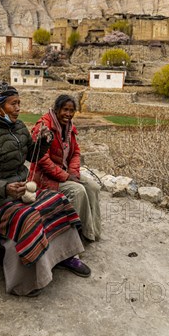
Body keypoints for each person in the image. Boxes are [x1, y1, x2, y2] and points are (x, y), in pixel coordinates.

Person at [0, 81, 91, 297]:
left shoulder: (19, 127)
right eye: (13, 104)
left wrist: (43, 142)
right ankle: (25, 281)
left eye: (19, 103)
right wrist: (5, 188)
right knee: (29, 217)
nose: (18, 108)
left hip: (18, 192)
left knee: (58, 201)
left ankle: (64, 256)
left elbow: (31, 153)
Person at [29, 95, 101, 242]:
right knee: (78, 190)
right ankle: (72, 240)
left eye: (71, 110)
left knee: (93, 187)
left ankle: (90, 232)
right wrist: (67, 177)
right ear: (56, 110)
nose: (68, 114)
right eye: (65, 109)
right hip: (44, 177)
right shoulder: (43, 127)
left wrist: (73, 172)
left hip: (65, 173)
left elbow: (75, 152)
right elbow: (42, 159)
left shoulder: (69, 128)